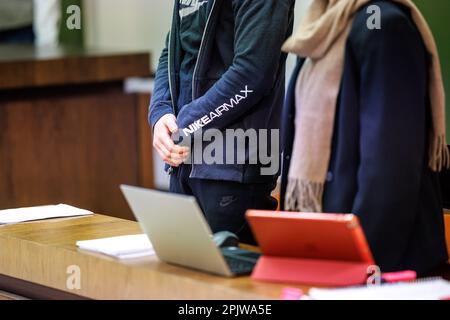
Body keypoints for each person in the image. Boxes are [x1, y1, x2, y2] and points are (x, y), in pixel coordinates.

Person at [281, 0, 449, 274]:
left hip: (384, 261)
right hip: (329, 244)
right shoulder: (321, 29)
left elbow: (390, 163)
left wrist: (362, 261)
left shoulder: (384, 23)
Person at [149, 0, 295, 244]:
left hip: (236, 166)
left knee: (232, 278)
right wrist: (160, 113)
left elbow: (252, 75)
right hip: (184, 157)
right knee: (180, 273)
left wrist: (185, 126)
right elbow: (173, 48)